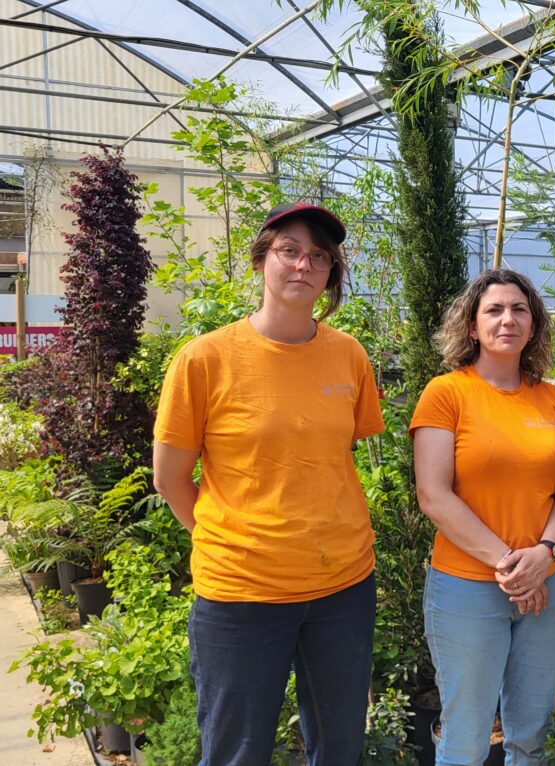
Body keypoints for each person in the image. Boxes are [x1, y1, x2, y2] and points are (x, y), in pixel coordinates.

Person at [153, 201, 384, 765]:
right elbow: (170, 478)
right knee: (237, 751)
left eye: (319, 257)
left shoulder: (349, 356)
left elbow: (331, 458)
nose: (304, 265)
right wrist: (234, 537)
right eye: (290, 251)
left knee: (339, 746)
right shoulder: (204, 359)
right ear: (261, 260)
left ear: (331, 273)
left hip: (343, 586)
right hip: (241, 593)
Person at [410, 269, 555, 766]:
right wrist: (514, 567)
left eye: (519, 309)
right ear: (471, 326)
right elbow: (434, 495)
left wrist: (545, 552)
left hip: (545, 583)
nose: (508, 319)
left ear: (533, 325)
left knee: (531, 733)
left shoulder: (551, 398)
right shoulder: (446, 393)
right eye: (494, 310)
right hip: (467, 588)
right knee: (466, 735)